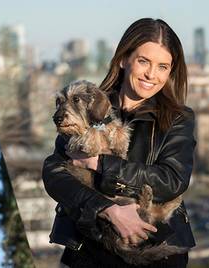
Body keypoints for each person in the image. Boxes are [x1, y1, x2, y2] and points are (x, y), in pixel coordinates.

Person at [42, 18, 195, 267]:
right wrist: (108, 209)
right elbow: (54, 174)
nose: (151, 75)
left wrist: (101, 164)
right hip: (88, 249)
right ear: (124, 59)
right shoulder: (86, 102)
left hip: (156, 249)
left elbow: (172, 180)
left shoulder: (179, 118)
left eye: (163, 67)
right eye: (144, 61)